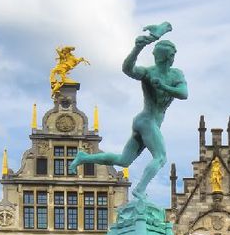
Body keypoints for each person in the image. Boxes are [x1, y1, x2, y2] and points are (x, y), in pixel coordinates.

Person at [69, 24, 187, 198]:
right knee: (161, 157)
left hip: (148, 122)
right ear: (168, 57)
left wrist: (163, 86)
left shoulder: (176, 75)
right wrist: (137, 48)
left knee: (123, 161)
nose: (173, 58)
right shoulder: (148, 73)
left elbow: (184, 94)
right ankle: (140, 190)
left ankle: (84, 158)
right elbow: (127, 69)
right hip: (146, 121)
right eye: (172, 55)